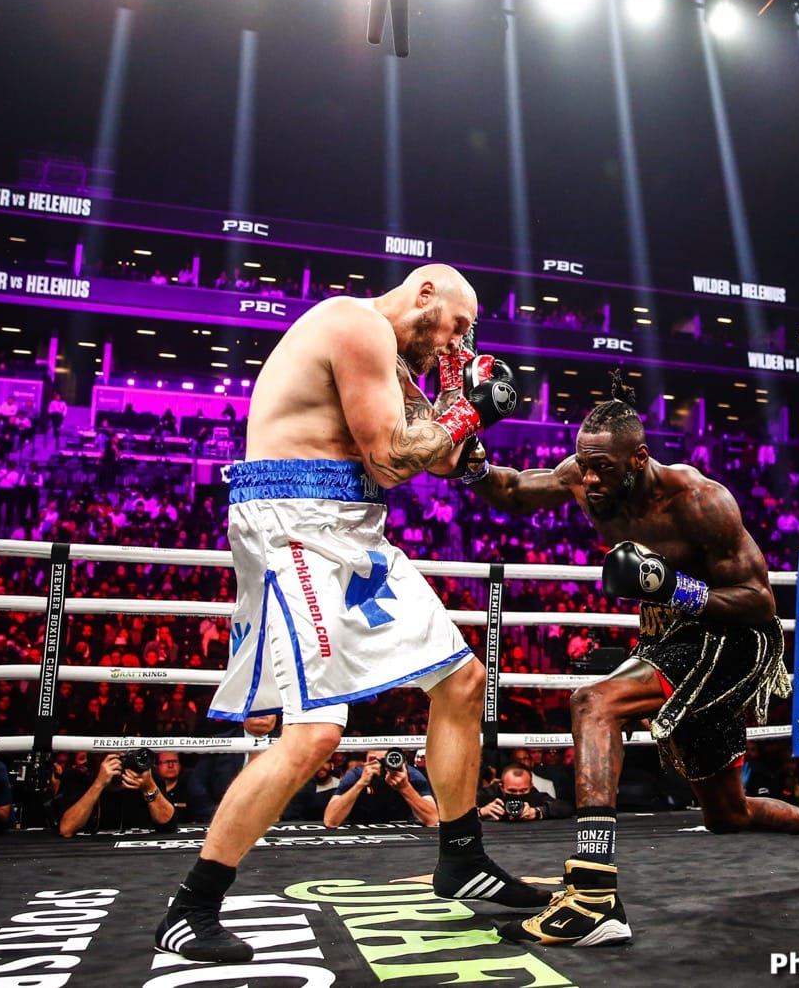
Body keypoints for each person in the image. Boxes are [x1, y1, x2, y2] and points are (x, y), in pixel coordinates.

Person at [155, 265, 539, 963]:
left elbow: (446, 458)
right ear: (425, 296)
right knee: (316, 731)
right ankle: (191, 906)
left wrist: (466, 410)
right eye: (456, 325)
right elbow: (394, 458)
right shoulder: (354, 323)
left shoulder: (397, 362)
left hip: (353, 527)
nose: (456, 341)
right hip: (293, 522)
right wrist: (465, 412)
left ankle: (461, 858)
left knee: (461, 681)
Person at [464, 373, 799, 947]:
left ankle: (593, 895)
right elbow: (511, 491)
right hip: (673, 640)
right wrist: (469, 458)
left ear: (638, 458)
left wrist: (672, 588)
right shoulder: (582, 475)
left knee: (594, 703)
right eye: (583, 467)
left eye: (603, 469)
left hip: (734, 638)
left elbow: (760, 601)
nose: (588, 480)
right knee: (725, 814)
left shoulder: (698, 500)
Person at [57, 751, 178, 836]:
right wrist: (99, 784)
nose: (119, 762)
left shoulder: (145, 776)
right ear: (96, 759)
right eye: (111, 756)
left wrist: (149, 787)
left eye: (123, 755)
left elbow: (168, 825)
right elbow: (67, 829)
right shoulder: (79, 777)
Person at [323, 748, 439, 826]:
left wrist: (405, 788)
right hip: (361, 828)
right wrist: (361, 783)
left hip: (402, 829)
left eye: (386, 762)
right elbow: (330, 820)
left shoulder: (412, 776)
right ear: (368, 761)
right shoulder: (356, 776)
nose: (383, 767)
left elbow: (432, 819)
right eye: (377, 761)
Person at [480, 764, 572, 822]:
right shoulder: (490, 794)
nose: (518, 794)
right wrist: (481, 812)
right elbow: (466, 810)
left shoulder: (534, 795)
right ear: (502, 787)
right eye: (512, 791)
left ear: (531, 785)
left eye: (523, 790)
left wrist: (537, 812)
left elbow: (566, 807)